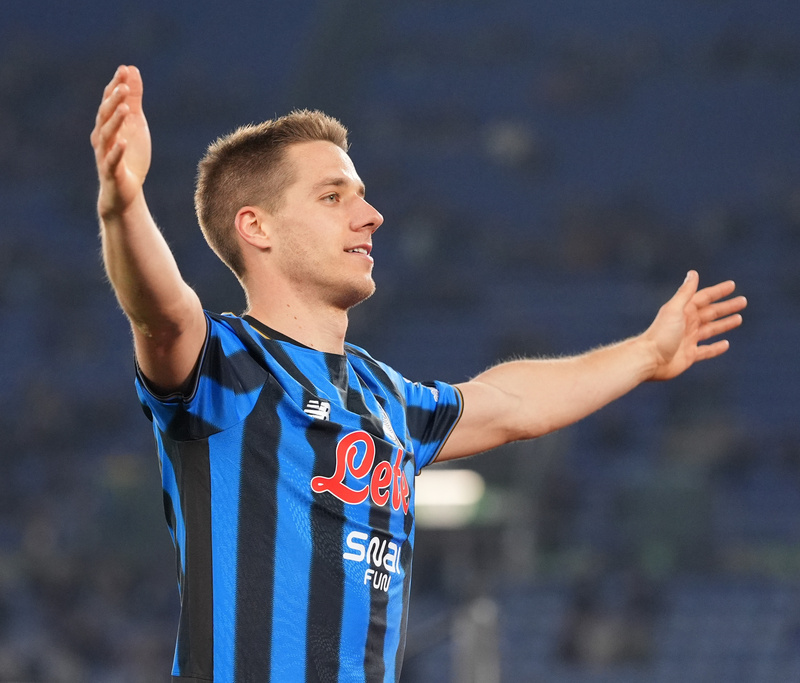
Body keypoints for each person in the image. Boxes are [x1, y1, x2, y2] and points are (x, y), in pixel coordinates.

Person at [90, 64, 747, 683]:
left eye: (364, 197)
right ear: (257, 227)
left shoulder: (387, 397)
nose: (370, 216)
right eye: (332, 196)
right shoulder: (226, 368)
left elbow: (511, 404)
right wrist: (123, 205)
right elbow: (164, 314)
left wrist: (646, 354)